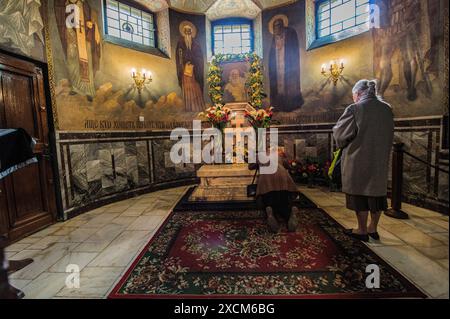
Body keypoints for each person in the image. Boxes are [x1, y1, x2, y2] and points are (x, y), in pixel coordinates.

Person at [333, 80, 394, 242]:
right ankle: (373, 228)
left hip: (358, 158)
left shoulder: (355, 108)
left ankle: (361, 230)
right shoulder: (387, 109)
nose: (354, 98)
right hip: (380, 159)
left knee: (359, 195)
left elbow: (340, 134)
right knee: (376, 194)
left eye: (354, 95)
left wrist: (342, 143)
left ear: (358, 93)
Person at [249, 149, 300, 233]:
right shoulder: (278, 155)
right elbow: (288, 166)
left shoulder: (260, 156)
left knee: (268, 198)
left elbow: (250, 166)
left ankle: (269, 210)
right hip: (283, 177)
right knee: (284, 200)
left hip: (266, 179)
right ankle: (290, 212)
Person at [268, 14, 304, 112]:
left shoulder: (290, 33)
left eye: (279, 25)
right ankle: (278, 105)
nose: (277, 28)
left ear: (283, 25)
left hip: (288, 64)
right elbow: (272, 54)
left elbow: (293, 50)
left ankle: (291, 104)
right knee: (278, 86)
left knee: (289, 83)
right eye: (275, 26)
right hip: (277, 65)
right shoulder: (274, 39)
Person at [176, 21, 205, 112]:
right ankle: (189, 108)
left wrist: (193, 61)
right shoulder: (180, 43)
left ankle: (197, 108)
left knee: (195, 87)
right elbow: (178, 56)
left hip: (195, 71)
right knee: (187, 88)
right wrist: (183, 63)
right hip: (185, 70)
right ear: (183, 32)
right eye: (186, 31)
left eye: (189, 31)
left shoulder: (196, 44)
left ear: (192, 32)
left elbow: (200, 57)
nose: (188, 33)